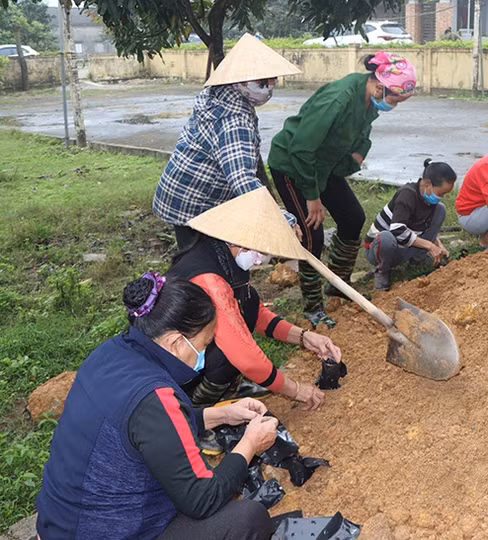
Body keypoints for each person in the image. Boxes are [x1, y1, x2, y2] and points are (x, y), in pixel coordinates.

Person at [37, 273, 281, 539]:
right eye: (205, 344)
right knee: (248, 519)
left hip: (60, 524)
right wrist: (250, 445)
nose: (205, 354)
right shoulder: (155, 397)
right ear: (176, 342)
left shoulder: (109, 354)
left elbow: (146, 431)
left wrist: (221, 414)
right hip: (109, 531)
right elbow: (202, 500)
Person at [268, 51, 417, 328]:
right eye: (394, 100)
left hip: (325, 164)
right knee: (311, 234)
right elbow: (301, 148)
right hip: (294, 165)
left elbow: (363, 132)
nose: (393, 106)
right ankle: (312, 307)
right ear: (379, 86)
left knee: (352, 217)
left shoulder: (370, 99)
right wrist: (312, 197)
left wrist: (360, 152)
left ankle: (338, 285)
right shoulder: (338, 99)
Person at [167, 188, 338, 411]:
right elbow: (245, 357)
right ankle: (195, 411)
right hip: (173, 370)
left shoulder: (222, 255)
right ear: (241, 241)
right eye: (260, 252)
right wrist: (295, 390)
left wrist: (305, 337)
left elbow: (255, 314)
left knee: (247, 304)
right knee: (228, 355)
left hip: (189, 353)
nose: (259, 261)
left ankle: (230, 390)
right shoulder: (209, 279)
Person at [153, 33, 302, 250]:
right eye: (262, 82)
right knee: (205, 269)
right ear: (240, 80)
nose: (268, 88)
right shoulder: (233, 120)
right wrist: (282, 220)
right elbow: (242, 179)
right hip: (195, 204)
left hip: (188, 193)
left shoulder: (223, 95)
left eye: (272, 81)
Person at [364, 159, 456, 290]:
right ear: (427, 184)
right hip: (379, 249)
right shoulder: (407, 195)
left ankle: (418, 259)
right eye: (441, 193)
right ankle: (382, 271)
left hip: (404, 247)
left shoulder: (429, 200)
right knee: (386, 237)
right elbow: (397, 230)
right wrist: (429, 246)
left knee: (441, 209)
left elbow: (424, 227)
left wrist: (438, 246)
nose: (441, 197)